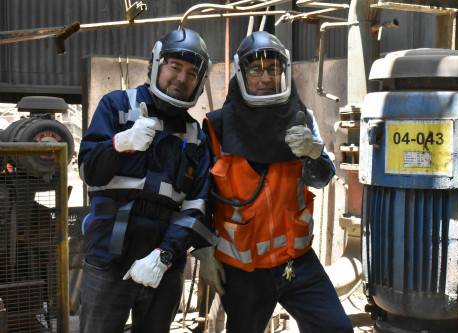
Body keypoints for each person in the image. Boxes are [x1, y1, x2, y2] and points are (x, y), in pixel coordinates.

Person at [193, 31, 354, 333]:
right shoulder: (216, 127)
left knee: (337, 328)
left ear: (283, 71)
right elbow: (199, 196)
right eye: (255, 69)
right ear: (242, 74)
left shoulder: (301, 119)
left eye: (273, 68)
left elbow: (322, 178)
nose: (265, 77)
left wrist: (314, 152)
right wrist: (203, 251)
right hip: (242, 270)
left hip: (296, 262)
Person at [77, 28, 217, 333]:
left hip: (164, 268)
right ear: (155, 64)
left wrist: (164, 256)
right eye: (174, 67)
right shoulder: (116, 106)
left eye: (192, 73)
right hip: (108, 259)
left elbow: (196, 206)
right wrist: (118, 144)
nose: (181, 78)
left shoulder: (196, 137)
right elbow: (89, 171)